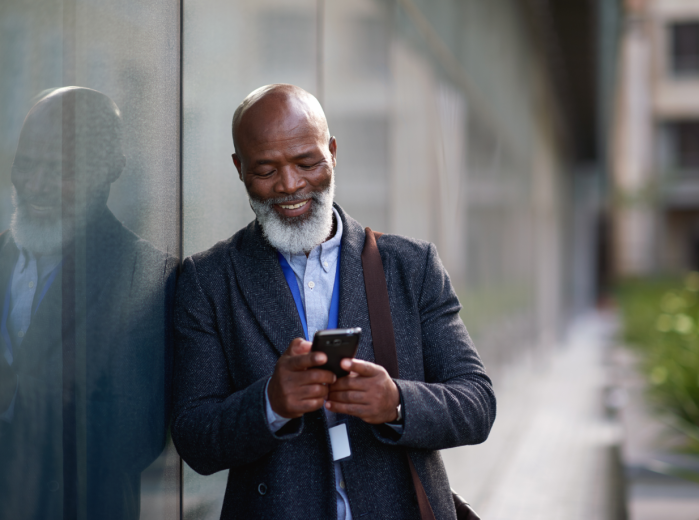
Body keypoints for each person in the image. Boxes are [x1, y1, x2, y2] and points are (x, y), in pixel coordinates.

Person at [172, 83, 495, 519]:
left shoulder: (412, 267)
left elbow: (477, 403)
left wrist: (396, 402)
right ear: (238, 167)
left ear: (333, 151)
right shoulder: (208, 280)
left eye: (306, 162)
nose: (289, 185)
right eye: (265, 170)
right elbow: (194, 437)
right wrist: (269, 402)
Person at [0, 87, 175, 520]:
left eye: (57, 169)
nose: (35, 185)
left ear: (107, 171)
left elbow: (140, 437)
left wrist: (16, 397)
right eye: (25, 165)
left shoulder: (147, 275)